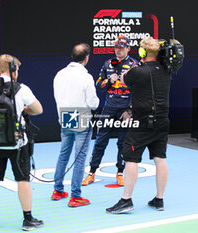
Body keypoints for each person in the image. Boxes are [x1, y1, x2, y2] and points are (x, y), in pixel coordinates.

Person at [0, 54, 44, 230]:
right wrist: (24, 109)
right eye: (17, 69)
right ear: (13, 70)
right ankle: (27, 219)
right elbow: (39, 109)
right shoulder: (21, 89)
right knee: (23, 180)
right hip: (17, 143)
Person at [106, 36, 171, 214]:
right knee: (160, 158)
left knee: (130, 158)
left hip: (142, 122)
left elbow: (123, 79)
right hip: (163, 120)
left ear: (142, 52)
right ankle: (159, 199)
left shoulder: (137, 71)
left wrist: (132, 69)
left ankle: (126, 200)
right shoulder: (166, 70)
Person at [82, 36, 138, 187]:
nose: (118, 50)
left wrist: (130, 110)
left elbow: (139, 90)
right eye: (116, 47)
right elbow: (99, 84)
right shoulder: (108, 64)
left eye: (121, 47)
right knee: (101, 140)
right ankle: (92, 172)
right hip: (109, 107)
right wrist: (110, 81)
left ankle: (120, 173)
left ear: (128, 48)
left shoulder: (134, 65)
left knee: (123, 142)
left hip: (125, 109)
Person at [52, 43, 99, 207]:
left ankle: (57, 190)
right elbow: (93, 103)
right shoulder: (86, 77)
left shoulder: (59, 74)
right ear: (86, 58)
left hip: (65, 116)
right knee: (79, 158)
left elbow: (57, 98)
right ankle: (76, 196)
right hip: (81, 117)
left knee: (63, 154)